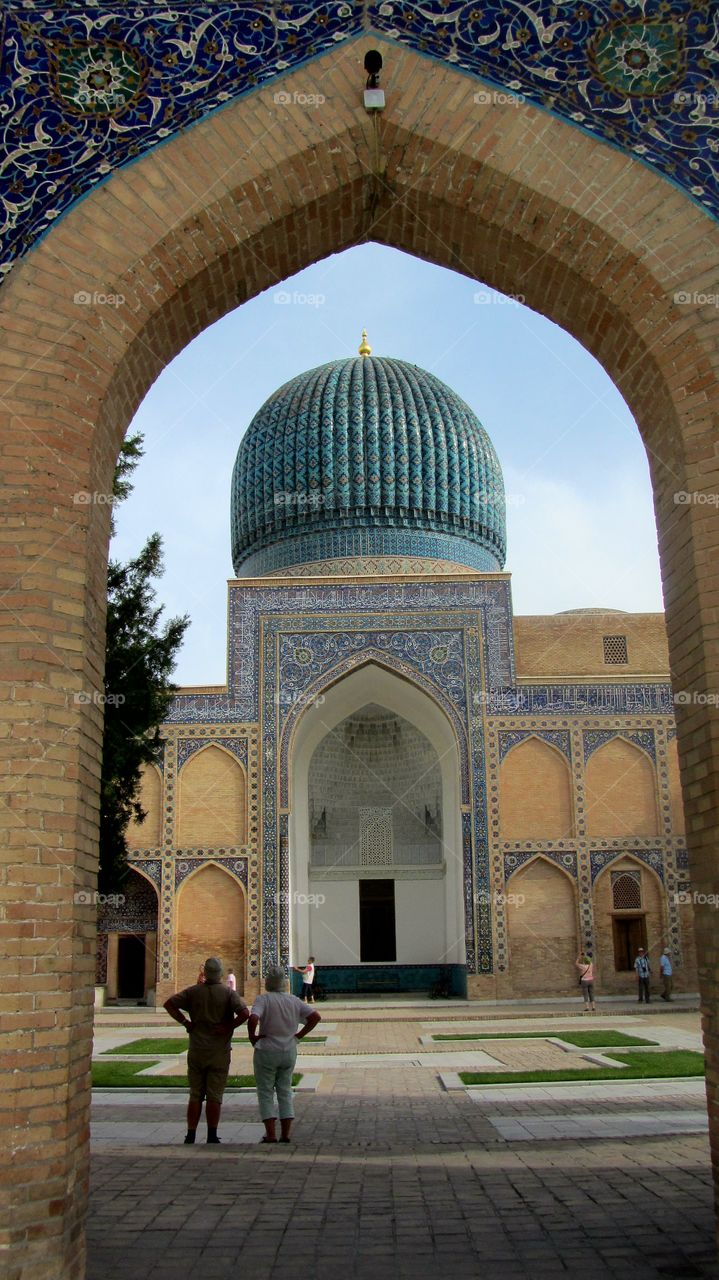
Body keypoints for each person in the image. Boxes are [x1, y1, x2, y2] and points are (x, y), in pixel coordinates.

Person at [164, 957, 249, 1144]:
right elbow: (245, 1013)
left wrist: (186, 1023)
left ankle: (191, 1134)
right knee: (215, 1095)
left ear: (205, 973)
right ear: (220, 974)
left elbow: (169, 1004)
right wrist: (229, 1027)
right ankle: (212, 1134)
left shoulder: (193, 992)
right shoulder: (227, 993)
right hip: (219, 1051)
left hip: (197, 1049)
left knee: (195, 1094)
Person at [248, 964, 320, 1144]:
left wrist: (253, 1037)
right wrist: (298, 1036)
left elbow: (253, 1018)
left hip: (266, 1051)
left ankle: (271, 1134)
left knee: (265, 1091)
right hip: (288, 1050)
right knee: (285, 1090)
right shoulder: (293, 1000)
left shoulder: (263, 999)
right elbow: (315, 1017)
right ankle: (286, 1134)